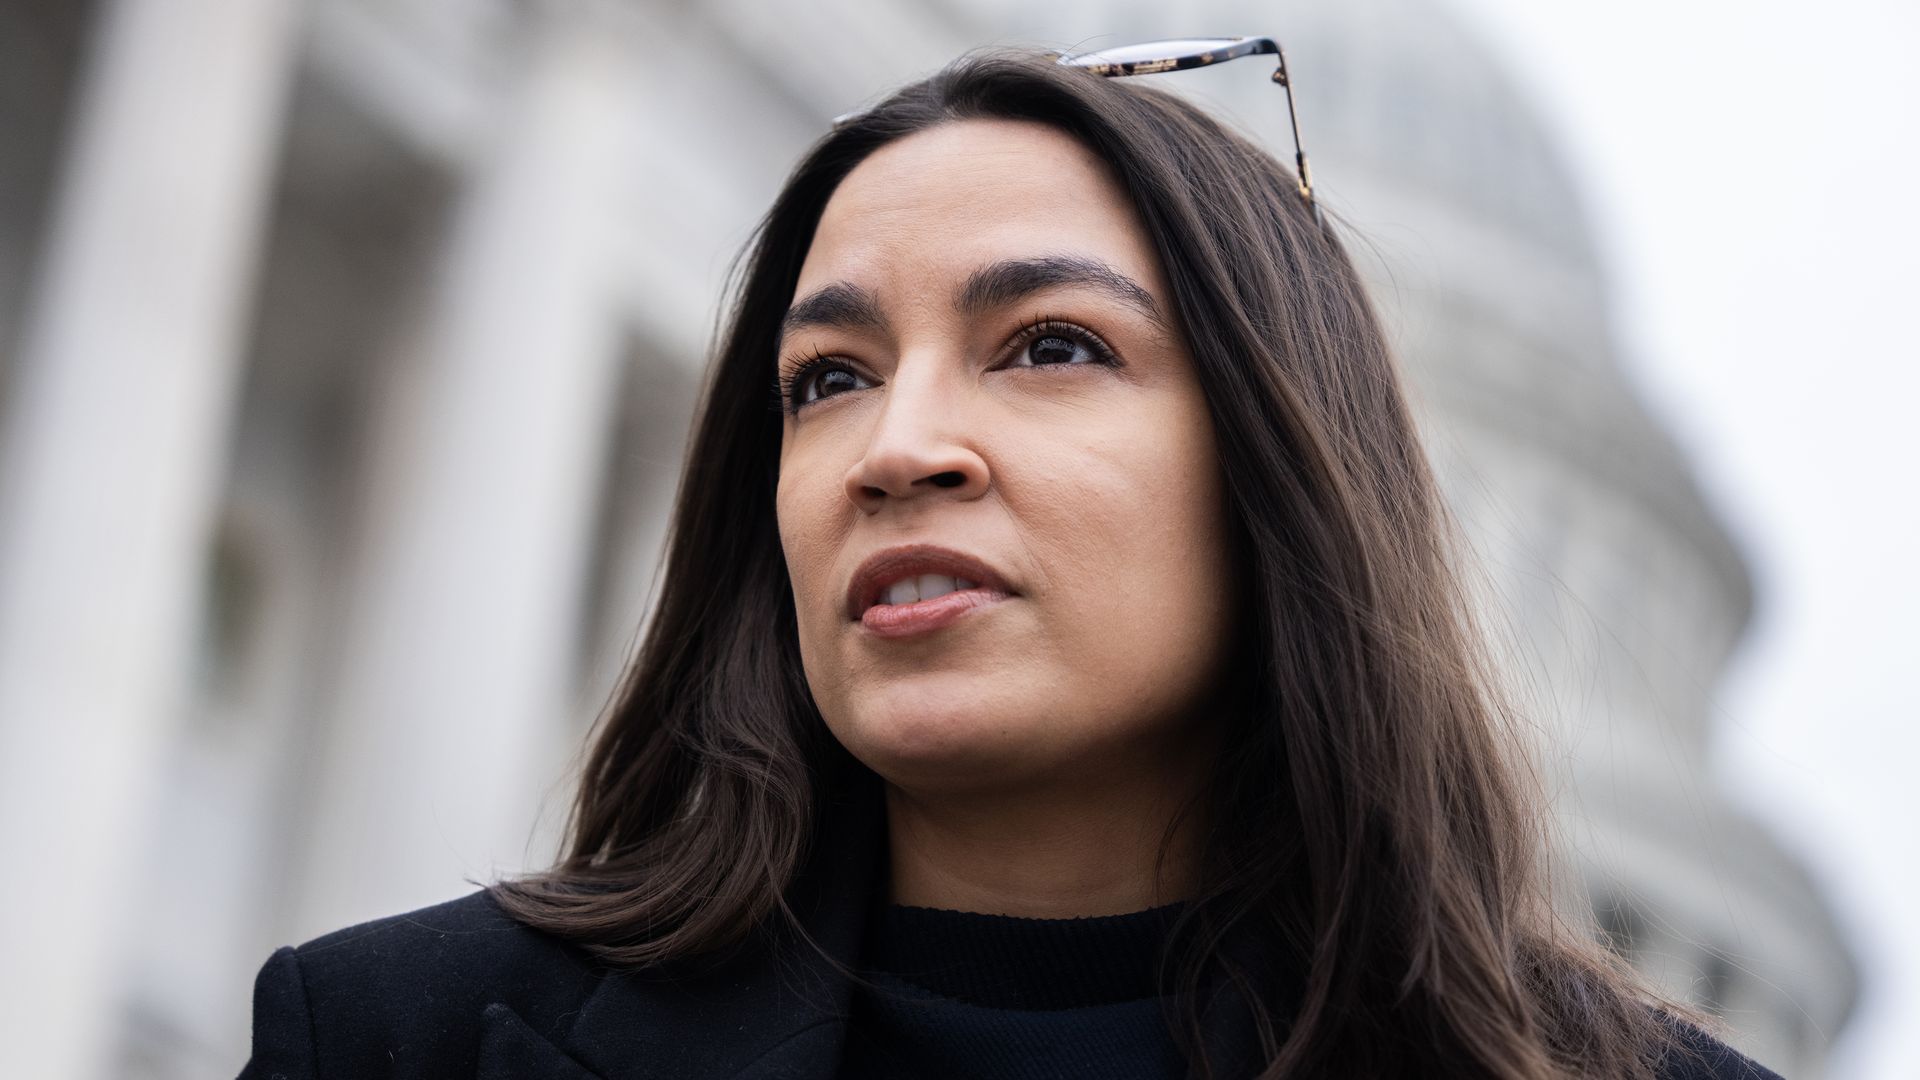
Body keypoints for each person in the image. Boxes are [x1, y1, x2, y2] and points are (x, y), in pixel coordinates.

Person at [236, 44, 1787, 1080]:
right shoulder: (389, 1041)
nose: (900, 447)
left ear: (1277, 464)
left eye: (1048, 345)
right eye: (827, 377)